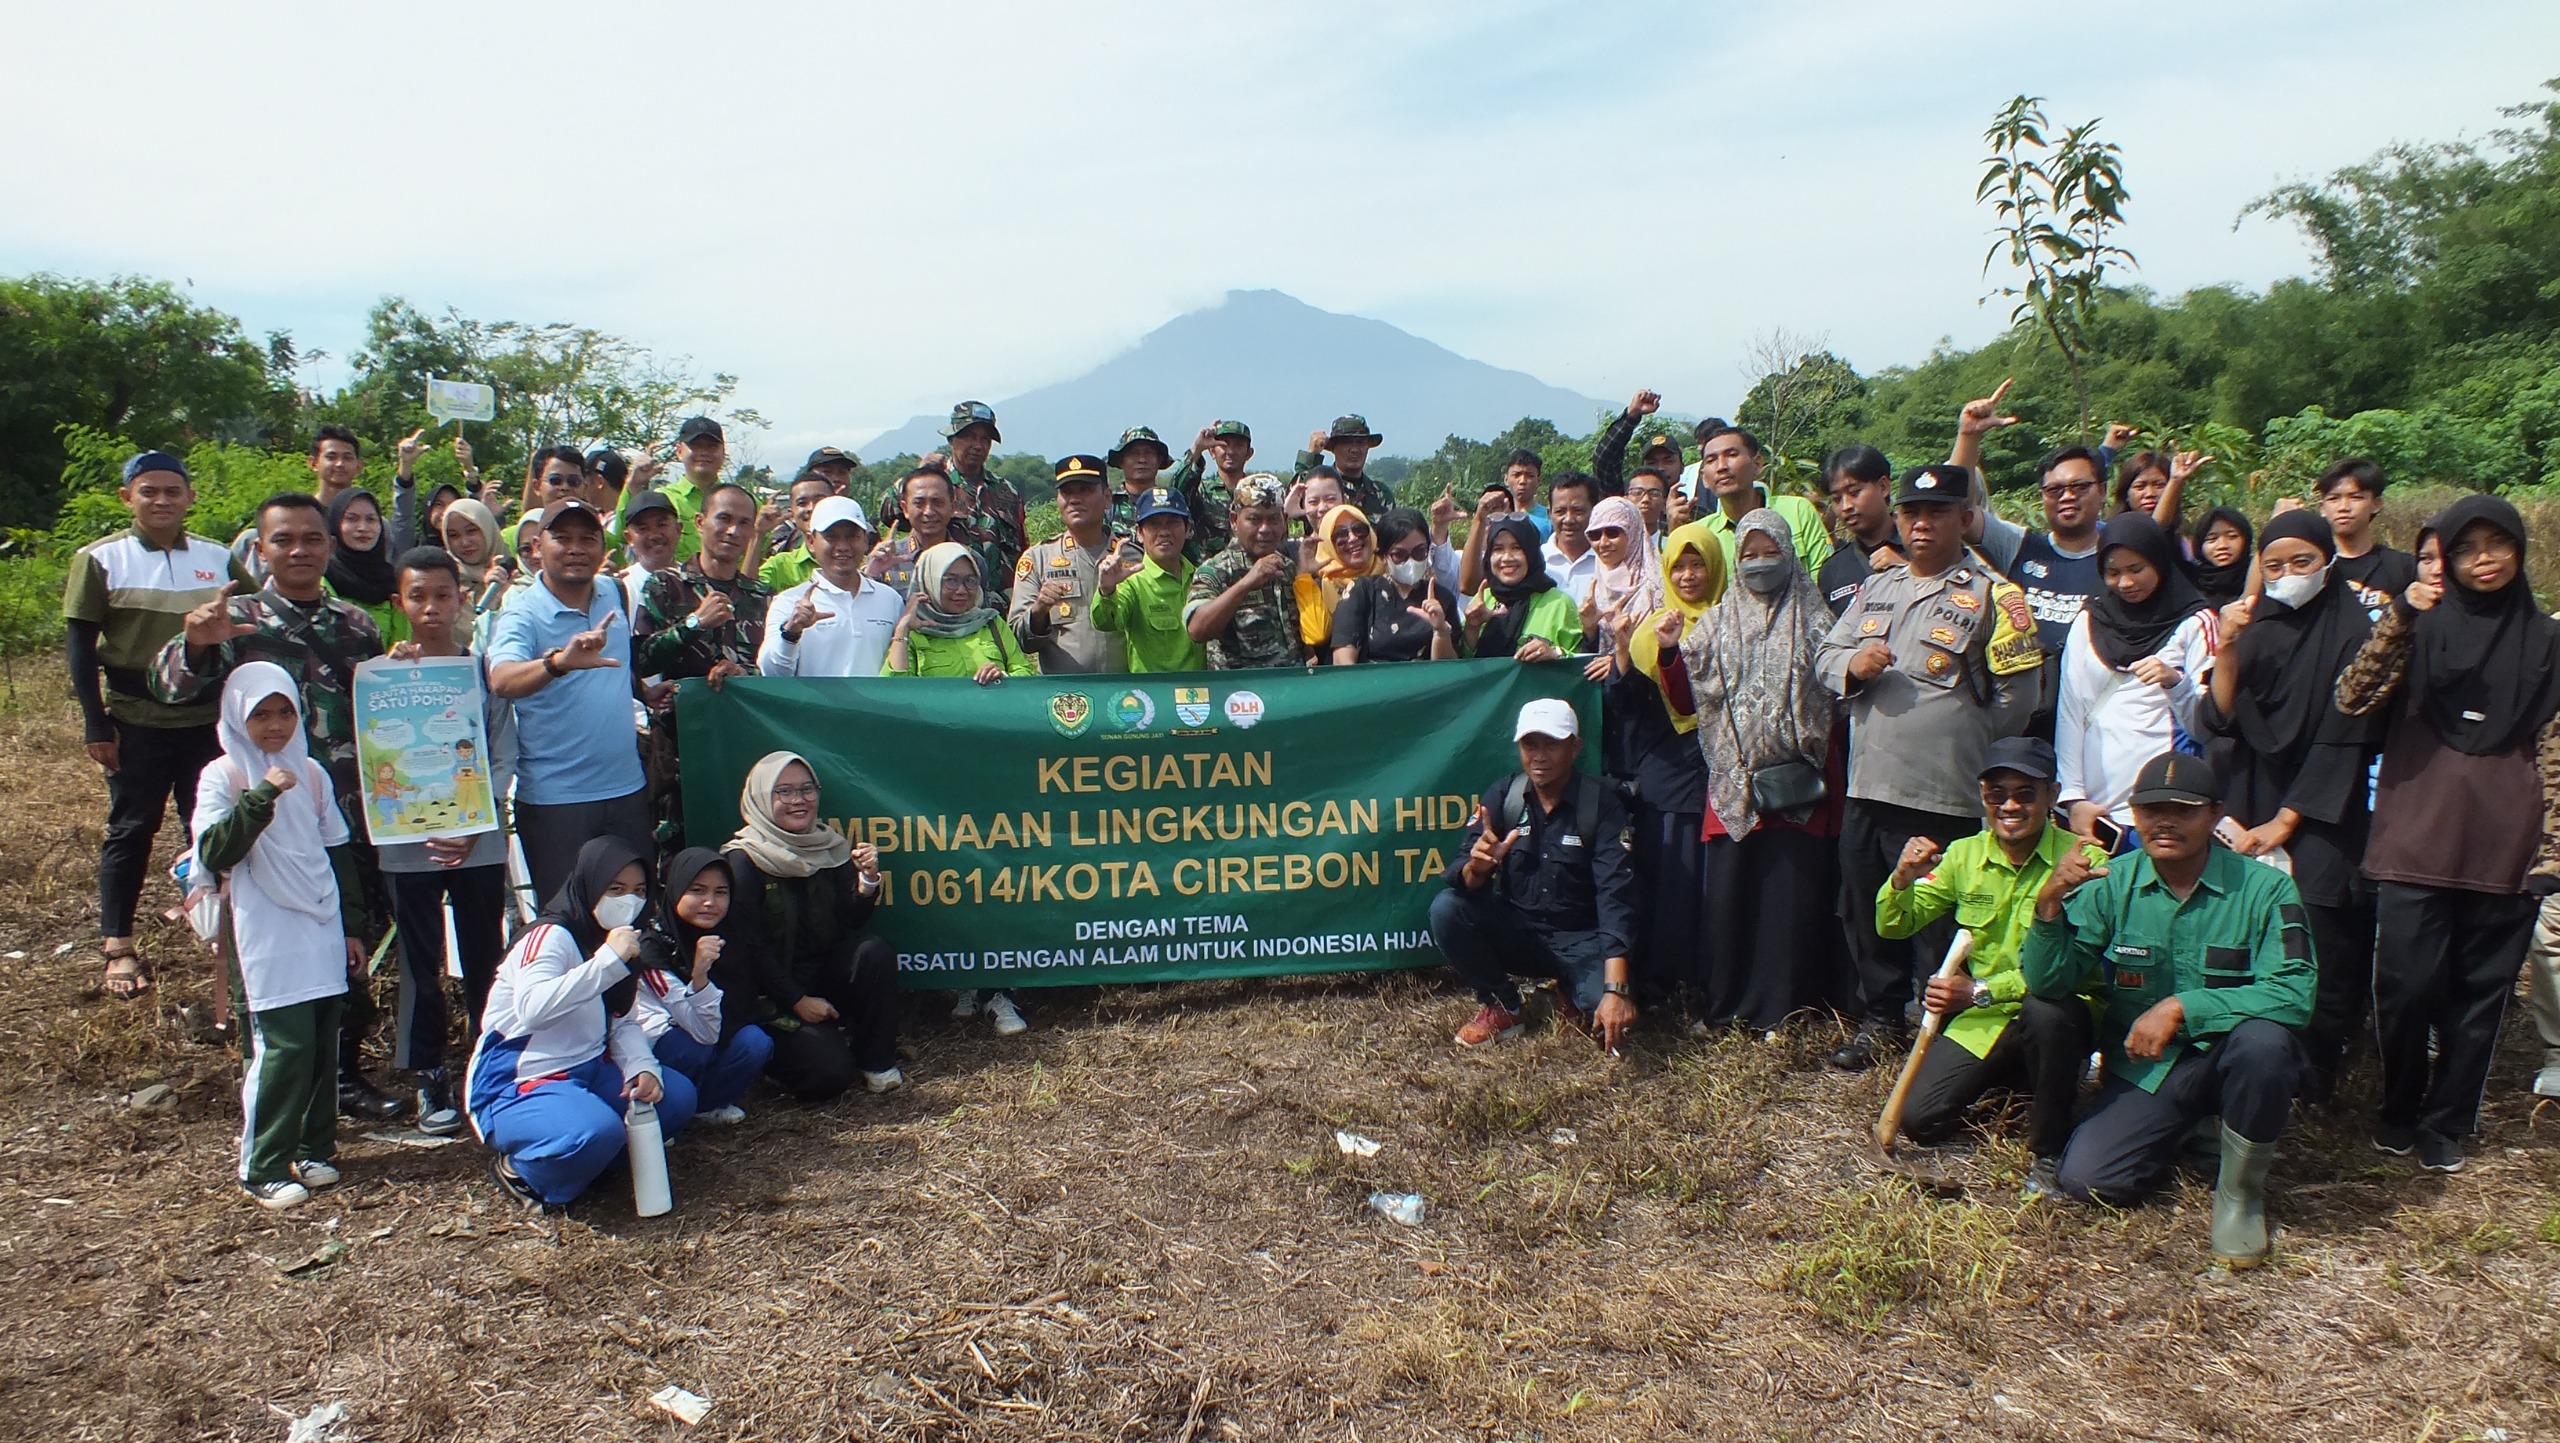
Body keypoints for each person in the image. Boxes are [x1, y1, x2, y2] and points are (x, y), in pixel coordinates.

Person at [153, 492, 402, 1120]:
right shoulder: (234, 619)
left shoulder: (355, 625)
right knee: (266, 964)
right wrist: (194, 642)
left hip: (341, 814)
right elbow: (170, 687)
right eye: (284, 540)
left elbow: (376, 718)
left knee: (348, 946)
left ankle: (339, 1078)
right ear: (260, 548)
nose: (299, 551)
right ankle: (270, 1093)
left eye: (312, 539)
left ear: (330, 545)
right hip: (260, 824)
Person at [2335, 495, 2560, 1173]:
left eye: (2498, 544)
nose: (2483, 559)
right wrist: (2401, 616)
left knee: (2481, 995)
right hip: (2415, 835)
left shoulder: (2548, 641)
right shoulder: (2417, 630)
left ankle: (2448, 1119)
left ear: (2520, 551)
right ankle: (2399, 1105)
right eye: (2467, 548)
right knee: (2403, 986)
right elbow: (2352, 696)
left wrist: (2554, 850)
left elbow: (2557, 752)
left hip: (2507, 841)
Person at [2022, 752, 2314, 1268]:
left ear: (2215, 813)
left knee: (2267, 1043)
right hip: (2148, 1070)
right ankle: (2191, 1132)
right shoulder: (2114, 881)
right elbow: (2050, 982)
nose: (2164, 821)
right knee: (2090, 1181)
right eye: (2150, 808)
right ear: (2133, 813)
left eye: (2184, 809)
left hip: (2230, 1063)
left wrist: (2183, 1005)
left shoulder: (2266, 888)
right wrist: (2048, 905)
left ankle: (2241, 1195)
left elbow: (2294, 992)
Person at [1815, 465, 2042, 1069]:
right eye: (1912, 512)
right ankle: (1882, 1018)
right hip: (1869, 783)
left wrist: (1960, 739)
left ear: (1963, 518)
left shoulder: (1996, 595)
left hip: (1945, 791)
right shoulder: (1876, 587)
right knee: (1868, 905)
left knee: (1938, 916)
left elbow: (2018, 699)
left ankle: (1942, 1026)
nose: (1921, 523)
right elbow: (1826, 654)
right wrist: (1854, 665)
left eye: (1937, 511)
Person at [2199, 509, 2378, 1101]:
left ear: (2327, 560)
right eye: (2274, 565)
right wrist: (2227, 647)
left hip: (2325, 805)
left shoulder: (2356, 630)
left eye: (2302, 562)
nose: (2289, 574)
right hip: (2252, 792)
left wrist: (2287, 820)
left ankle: (2317, 1072)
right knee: (2246, 925)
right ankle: (2248, 1059)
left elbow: (2345, 733)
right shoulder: (2258, 625)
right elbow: (2220, 718)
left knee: (2319, 929)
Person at [1875, 738, 2102, 1196]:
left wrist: (1978, 990)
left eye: (2025, 793)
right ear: (1982, 795)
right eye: (1997, 793)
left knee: (2046, 1011)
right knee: (1922, 1120)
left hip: (2059, 1010)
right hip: (1987, 1019)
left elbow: (2066, 972)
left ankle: (2048, 1151)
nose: (2010, 805)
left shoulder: (2086, 861)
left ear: (2052, 795)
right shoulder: (1964, 856)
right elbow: (1895, 925)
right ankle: (2021, 1089)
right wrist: (1901, 879)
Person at [64, 450, 250, 1002]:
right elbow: (79, 646)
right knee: (131, 828)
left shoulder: (217, 559)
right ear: (129, 498)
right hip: (136, 718)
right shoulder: (101, 560)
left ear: (190, 497)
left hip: (208, 720)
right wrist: (95, 722)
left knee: (212, 826)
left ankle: (226, 933)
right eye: (150, 491)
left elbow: (250, 620)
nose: (162, 501)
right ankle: (118, 944)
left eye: (173, 491)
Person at [193, 663, 366, 1210]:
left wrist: (353, 927)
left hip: (319, 917)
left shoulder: (312, 772)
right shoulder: (225, 776)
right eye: (260, 714)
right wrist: (261, 796)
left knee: (320, 1040)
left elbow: (337, 852)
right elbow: (216, 851)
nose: (274, 725)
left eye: (285, 711)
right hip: (266, 923)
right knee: (282, 1044)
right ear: (238, 718)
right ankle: (263, 1164)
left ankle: (315, 1148)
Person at [1671, 511, 1852, 1029]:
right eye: (1747, 554)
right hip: (1734, 788)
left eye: (1767, 551)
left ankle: (1788, 1010)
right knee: (1730, 903)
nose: (1758, 563)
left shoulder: (1818, 621)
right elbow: (1687, 697)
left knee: (1789, 905)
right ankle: (1727, 1006)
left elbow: (1838, 702)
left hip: (1800, 788)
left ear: (1789, 552)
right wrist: (1667, 653)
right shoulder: (1714, 623)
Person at [467, 837, 695, 1212]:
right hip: (518, 1081)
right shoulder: (551, 937)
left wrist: (641, 1066)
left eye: (639, 891)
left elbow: (621, 1020)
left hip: (590, 1068)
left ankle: (590, 1164)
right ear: (589, 884)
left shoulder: (618, 940)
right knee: (594, 1131)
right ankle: (524, 1172)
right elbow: (533, 1010)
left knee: (676, 1099)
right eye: (615, 889)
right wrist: (607, 962)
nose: (628, 901)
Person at [375, 547, 518, 1135]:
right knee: (419, 956)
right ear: (398, 604)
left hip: (476, 840)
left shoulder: (482, 672)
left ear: (463, 598)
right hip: (407, 841)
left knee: (486, 950)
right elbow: (375, 751)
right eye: (417, 596)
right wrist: (391, 673)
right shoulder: (382, 674)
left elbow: (503, 753)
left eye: (442, 595)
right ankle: (428, 1071)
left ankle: (492, 1060)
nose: (431, 608)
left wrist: (473, 825)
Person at [1429, 698, 1640, 1051]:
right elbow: (1464, 875)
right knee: (1446, 908)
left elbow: (1616, 895)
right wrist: (1477, 869)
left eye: (1552, 744)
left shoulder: (1602, 805)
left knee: (1615, 1030)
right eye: (1530, 744)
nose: (1539, 756)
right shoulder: (1503, 796)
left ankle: (1571, 991)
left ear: (1575, 747)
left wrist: (1616, 990)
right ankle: (1504, 1007)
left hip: (1583, 940)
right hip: (1520, 932)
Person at [484, 499, 654, 905]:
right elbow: (501, 679)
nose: (576, 548)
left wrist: (644, 691)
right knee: (566, 920)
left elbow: (619, 669)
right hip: (557, 802)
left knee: (632, 914)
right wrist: (558, 663)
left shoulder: (615, 592)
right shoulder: (521, 613)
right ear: (537, 547)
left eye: (587, 538)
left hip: (627, 791)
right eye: (562, 538)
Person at [718, 752, 911, 1086]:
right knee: (829, 1076)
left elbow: (852, 920)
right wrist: (796, 1000)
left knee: (873, 951)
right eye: (784, 792)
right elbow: (750, 946)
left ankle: (876, 1061)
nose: (799, 800)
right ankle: (775, 1060)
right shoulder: (743, 860)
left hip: (819, 976)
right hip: (768, 997)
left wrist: (867, 880)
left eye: (807, 789)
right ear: (762, 798)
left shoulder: (828, 846)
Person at [1609, 520, 1723, 1007]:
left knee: (1711, 883)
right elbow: (1627, 705)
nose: (1690, 576)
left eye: (1699, 564)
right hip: (1668, 776)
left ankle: (1710, 976)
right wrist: (1619, 647)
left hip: (1724, 774)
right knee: (1670, 880)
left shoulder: (1732, 623)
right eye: (1680, 566)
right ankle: (1664, 982)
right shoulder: (1651, 630)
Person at [2055, 515, 2218, 836]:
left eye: (2136, 569)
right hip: (2097, 811)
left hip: (2165, 804)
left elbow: (2206, 727)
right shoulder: (2089, 620)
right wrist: (2073, 797)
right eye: (2113, 573)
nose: (2126, 583)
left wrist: (2175, 682)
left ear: (2159, 561)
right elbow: (2071, 712)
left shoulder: (2196, 622)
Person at [632, 848, 775, 1124]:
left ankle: (705, 1104)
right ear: (675, 891)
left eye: (720, 892)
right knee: (691, 1045)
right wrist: (700, 977)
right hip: (664, 1047)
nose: (709, 902)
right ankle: (666, 1109)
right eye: (697, 891)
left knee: (755, 1041)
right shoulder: (653, 948)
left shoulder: (731, 935)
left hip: (710, 1034)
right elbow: (698, 1030)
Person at [759, 497, 904, 678]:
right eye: (831, 536)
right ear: (811, 542)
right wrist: (791, 632)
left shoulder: (890, 599)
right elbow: (772, 674)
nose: (843, 546)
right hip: (817, 707)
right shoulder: (788, 603)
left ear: (865, 540)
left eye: (852, 536)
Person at [1010, 455, 1125, 674]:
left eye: (1085, 490)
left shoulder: (1133, 556)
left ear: (1107, 497)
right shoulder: (1038, 559)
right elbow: (1020, 638)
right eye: (1067, 492)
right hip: (1065, 698)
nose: (1074, 499)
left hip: (1126, 694)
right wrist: (1040, 610)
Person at [1185, 476, 1304, 670]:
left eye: (1274, 519)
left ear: (1284, 522)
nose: (1265, 529)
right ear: (1234, 520)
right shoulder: (1216, 570)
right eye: (1254, 519)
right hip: (1241, 694)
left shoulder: (1288, 568)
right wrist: (1246, 583)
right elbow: (1197, 630)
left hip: (1290, 689)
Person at [1688, 421, 1832, 576]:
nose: (1721, 466)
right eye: (1711, 460)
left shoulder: (1797, 511)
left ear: (1757, 464)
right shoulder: (1702, 533)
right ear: (1703, 477)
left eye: (1731, 455)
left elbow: (1825, 577)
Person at [884, 542, 1036, 682]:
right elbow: (895, 690)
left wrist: (1002, 676)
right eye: (951, 580)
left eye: (970, 580)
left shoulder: (991, 623)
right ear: (930, 582)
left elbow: (1024, 673)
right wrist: (902, 630)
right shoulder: (914, 633)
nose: (962, 590)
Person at [1093, 487, 1207, 672]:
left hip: (1203, 694)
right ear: (1139, 533)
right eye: (1154, 524)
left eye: (1172, 522)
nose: (1164, 532)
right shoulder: (1132, 582)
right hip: (1153, 696)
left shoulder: (1203, 578)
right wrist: (1106, 591)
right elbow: (1106, 622)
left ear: (1187, 529)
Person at [232, 426, 365, 583]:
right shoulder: (255, 536)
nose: (339, 464)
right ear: (313, 463)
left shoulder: (372, 527)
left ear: (359, 466)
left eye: (347, 457)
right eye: (331, 457)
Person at [1330, 507, 1458, 664]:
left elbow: (1451, 671)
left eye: (1419, 552)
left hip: (1428, 686)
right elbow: (1343, 663)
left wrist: (1441, 631)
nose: (1411, 561)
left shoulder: (1443, 598)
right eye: (1399, 555)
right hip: (1371, 685)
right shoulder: (1362, 592)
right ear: (1383, 556)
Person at [1466, 515, 1581, 661]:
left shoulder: (1559, 605)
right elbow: (1461, 665)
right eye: (1498, 549)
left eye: (1516, 547)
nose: (1507, 557)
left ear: (1531, 552)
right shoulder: (1483, 599)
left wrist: (1555, 653)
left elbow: (1582, 663)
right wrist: (1472, 629)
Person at [936, 401, 1027, 581]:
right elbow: (890, 512)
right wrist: (920, 473)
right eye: (970, 437)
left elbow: (1023, 549)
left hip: (1001, 603)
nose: (978, 446)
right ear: (951, 439)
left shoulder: (1006, 491)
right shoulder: (933, 486)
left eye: (985, 439)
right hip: (952, 598)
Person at [2318, 458, 2418, 619]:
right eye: (2333, 498)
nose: (2343, 507)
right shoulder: (2312, 569)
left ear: (2376, 504)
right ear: (2322, 508)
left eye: (2355, 497)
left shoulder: (2404, 567)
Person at [1816, 445, 1901, 617]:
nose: (1846, 506)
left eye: (1854, 492)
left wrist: (1909, 573)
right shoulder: (1832, 571)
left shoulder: (1923, 548)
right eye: (1836, 499)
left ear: (1884, 487)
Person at [868, 467, 978, 597]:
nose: (929, 512)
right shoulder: (886, 560)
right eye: (919, 503)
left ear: (952, 507)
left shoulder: (970, 559)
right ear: (905, 508)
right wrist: (871, 574)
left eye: (937, 502)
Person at [1294, 503, 1385, 660]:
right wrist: (1304, 575)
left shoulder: (1391, 571)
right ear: (1329, 544)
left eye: (1359, 530)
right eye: (1340, 535)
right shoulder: (1321, 583)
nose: (1352, 538)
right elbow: (1317, 635)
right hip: (1342, 677)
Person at [322, 489, 406, 645]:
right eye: (352, 519)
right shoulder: (324, 578)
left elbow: (402, 638)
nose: (363, 527)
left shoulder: (392, 580)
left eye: (371, 519)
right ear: (335, 524)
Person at [1582, 495, 1660, 657]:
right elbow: (1588, 659)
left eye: (1612, 532)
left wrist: (1620, 660)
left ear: (1632, 532)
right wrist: (1590, 630)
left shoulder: (1656, 586)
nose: (1603, 543)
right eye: (1595, 535)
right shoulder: (1594, 588)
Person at [1166, 420, 1251, 559]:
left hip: (1252, 572)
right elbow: (1174, 494)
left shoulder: (1258, 493)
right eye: (1224, 445)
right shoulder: (1201, 491)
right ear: (1212, 451)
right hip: (1206, 575)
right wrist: (1197, 449)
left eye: (1239, 446)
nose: (1231, 451)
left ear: (1249, 453)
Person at [1590, 389, 1686, 503]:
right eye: (1652, 463)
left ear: (1682, 467)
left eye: (1668, 461)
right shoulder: (1626, 504)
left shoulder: (1697, 514)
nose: (1660, 468)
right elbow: (1604, 461)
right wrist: (1632, 415)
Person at [755, 471, 842, 592]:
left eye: (819, 500)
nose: (811, 508)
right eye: (802, 503)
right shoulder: (781, 565)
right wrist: (758, 534)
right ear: (792, 513)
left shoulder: (854, 559)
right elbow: (749, 590)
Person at [1296, 415, 1394, 519]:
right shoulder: (1319, 489)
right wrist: (1311, 455)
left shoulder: (1381, 493)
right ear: (1333, 448)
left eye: (1360, 443)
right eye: (1346, 443)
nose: (1354, 449)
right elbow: (1294, 502)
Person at [438, 497, 506, 641]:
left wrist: (503, 594)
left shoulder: (517, 575)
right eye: (454, 535)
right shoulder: (444, 585)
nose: (464, 542)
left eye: (471, 531)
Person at [1540, 473, 1602, 607]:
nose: (1568, 519)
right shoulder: (1535, 562)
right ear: (1549, 514)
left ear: (1595, 511)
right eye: (1560, 511)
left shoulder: (1608, 562)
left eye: (1578, 511)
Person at [619, 489, 683, 602]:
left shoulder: (696, 582)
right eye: (643, 529)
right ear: (629, 538)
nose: (654, 536)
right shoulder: (621, 586)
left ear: (678, 529)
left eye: (661, 525)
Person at [2187, 507, 2255, 611]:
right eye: (2212, 539)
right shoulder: (2189, 583)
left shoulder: (2258, 576)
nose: (2222, 545)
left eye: (2232, 536)